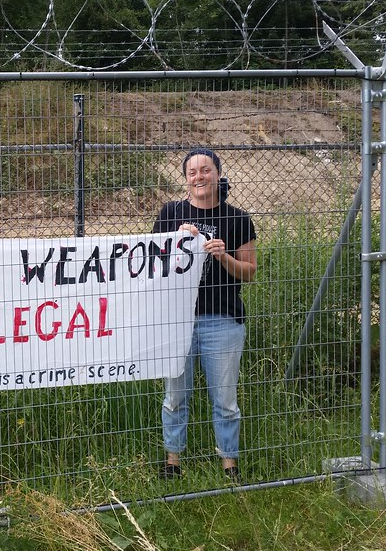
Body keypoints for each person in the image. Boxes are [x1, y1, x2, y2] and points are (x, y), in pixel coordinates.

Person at [152, 148, 257, 482]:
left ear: (217, 174)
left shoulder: (239, 219)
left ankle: (230, 465)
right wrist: (175, 241)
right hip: (176, 320)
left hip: (222, 321)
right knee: (175, 395)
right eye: (193, 172)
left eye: (206, 170)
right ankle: (172, 462)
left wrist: (223, 256)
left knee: (225, 399)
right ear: (186, 180)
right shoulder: (171, 213)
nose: (199, 176)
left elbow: (250, 272)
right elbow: (152, 264)